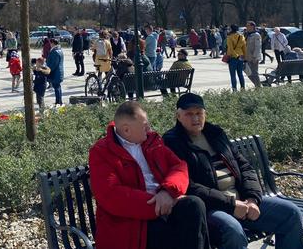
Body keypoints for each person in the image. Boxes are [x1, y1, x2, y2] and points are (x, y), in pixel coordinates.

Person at [164, 93, 303, 249]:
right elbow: (189, 187)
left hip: (242, 200)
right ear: (178, 116)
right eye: (189, 114)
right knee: (233, 231)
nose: (195, 118)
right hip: (212, 208)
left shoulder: (215, 134)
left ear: (205, 114)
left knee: (291, 214)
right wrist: (231, 205)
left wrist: (252, 199)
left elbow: (245, 166)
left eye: (199, 113)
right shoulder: (173, 142)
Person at [89, 100, 211, 249]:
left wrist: (167, 191)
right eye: (145, 125)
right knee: (165, 231)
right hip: (131, 221)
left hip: (165, 204)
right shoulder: (102, 152)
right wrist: (157, 205)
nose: (149, 129)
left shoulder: (152, 141)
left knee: (194, 205)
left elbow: (179, 166)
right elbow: (111, 195)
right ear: (127, 130)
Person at [226, 25, 246, 92]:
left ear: (231, 29)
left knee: (233, 75)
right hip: (241, 56)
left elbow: (231, 49)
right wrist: (244, 57)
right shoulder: (241, 36)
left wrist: (236, 56)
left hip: (233, 57)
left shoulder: (229, 37)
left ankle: (234, 90)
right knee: (240, 74)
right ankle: (243, 88)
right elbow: (244, 48)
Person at [46, 38, 64, 106]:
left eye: (51, 43)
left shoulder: (55, 51)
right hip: (59, 71)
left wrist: (48, 69)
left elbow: (54, 63)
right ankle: (59, 101)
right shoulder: (60, 50)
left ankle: (58, 102)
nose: (50, 44)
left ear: (53, 43)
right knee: (58, 87)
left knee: (56, 87)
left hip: (56, 72)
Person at [244, 22, 262, 88]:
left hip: (254, 57)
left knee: (254, 73)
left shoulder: (256, 35)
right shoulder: (247, 34)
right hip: (247, 56)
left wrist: (255, 57)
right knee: (247, 71)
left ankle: (258, 87)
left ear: (252, 26)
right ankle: (257, 85)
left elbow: (257, 47)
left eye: (248, 26)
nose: (246, 27)